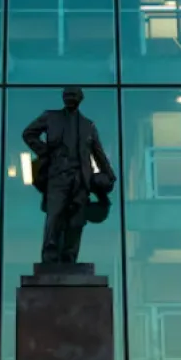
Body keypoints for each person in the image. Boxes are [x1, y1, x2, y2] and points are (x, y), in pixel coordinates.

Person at [22, 86, 116, 264]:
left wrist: (109, 174)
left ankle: (69, 257)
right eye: (67, 95)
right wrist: (45, 152)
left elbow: (98, 153)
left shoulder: (88, 125)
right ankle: (49, 258)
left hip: (80, 179)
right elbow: (28, 133)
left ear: (81, 98)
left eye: (73, 95)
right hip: (57, 176)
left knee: (76, 222)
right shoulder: (50, 117)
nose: (70, 98)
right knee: (54, 216)